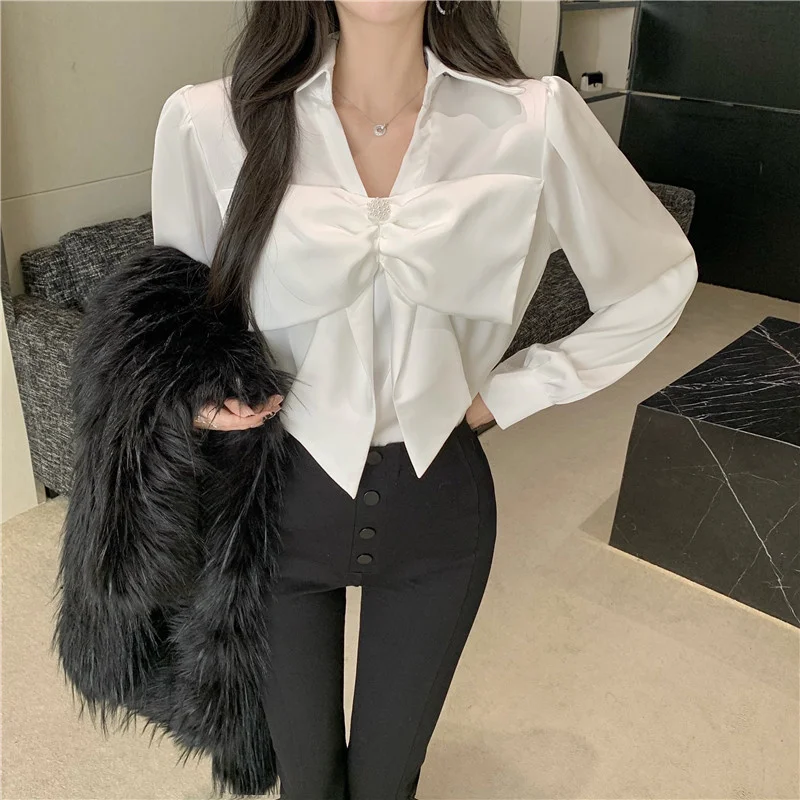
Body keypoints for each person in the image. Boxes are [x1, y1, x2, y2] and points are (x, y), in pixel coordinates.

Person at [150, 2, 698, 798]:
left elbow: (657, 278)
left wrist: (508, 394)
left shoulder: (533, 118)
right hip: (273, 502)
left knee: (388, 782)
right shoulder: (209, 120)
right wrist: (199, 398)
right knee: (305, 781)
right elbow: (174, 319)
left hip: (437, 501)